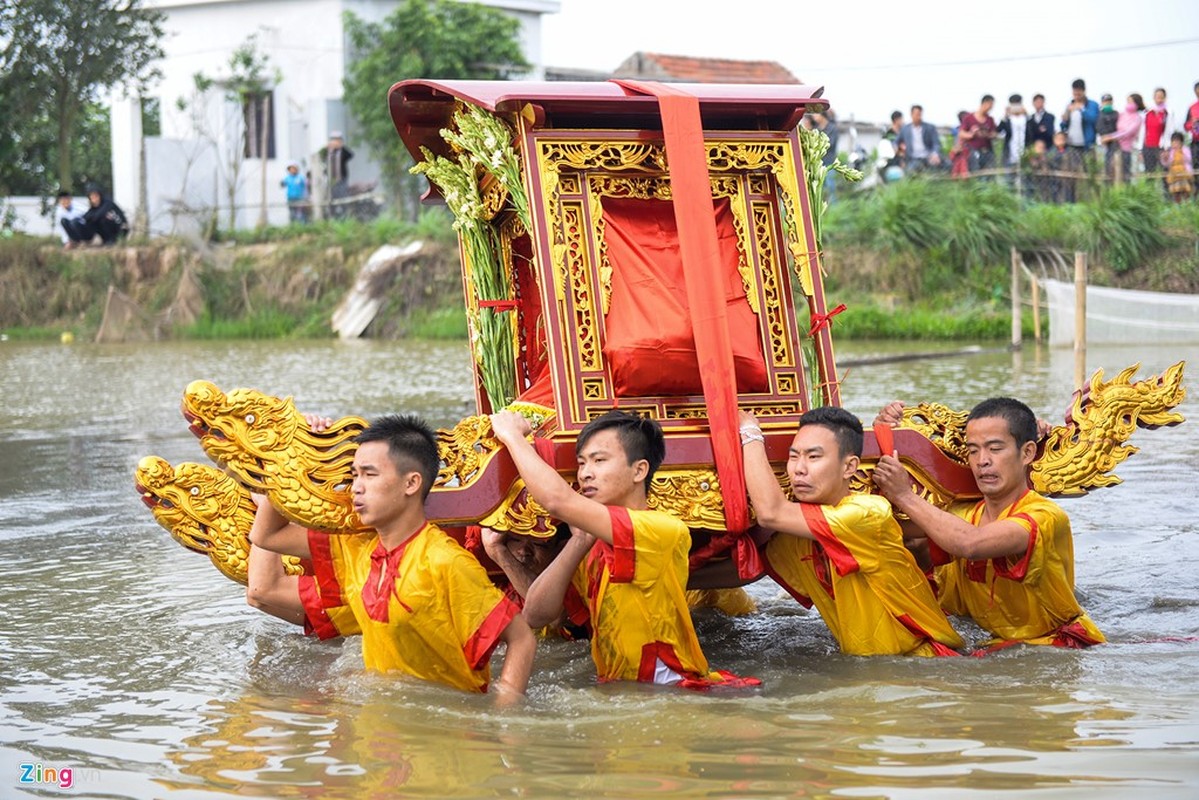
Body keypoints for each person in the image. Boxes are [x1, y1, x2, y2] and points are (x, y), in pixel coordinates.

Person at [248, 413, 535, 702]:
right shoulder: (357, 548)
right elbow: (267, 537)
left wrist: (503, 720)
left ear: (411, 483)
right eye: (353, 475)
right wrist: (297, 456)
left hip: (444, 734)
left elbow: (521, 638)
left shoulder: (444, 561)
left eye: (370, 475)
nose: (356, 487)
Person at [489, 408, 758, 687]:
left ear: (639, 470)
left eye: (599, 460)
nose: (585, 474)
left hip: (671, 687)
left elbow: (558, 501)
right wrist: (580, 541)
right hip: (619, 688)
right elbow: (536, 615)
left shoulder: (659, 529)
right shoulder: (590, 543)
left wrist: (513, 437)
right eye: (581, 463)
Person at [872, 398, 1105, 651]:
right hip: (989, 644)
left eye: (995, 449)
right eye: (973, 450)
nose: (982, 460)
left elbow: (971, 543)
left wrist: (905, 496)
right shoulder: (961, 514)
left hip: (1051, 647)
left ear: (1027, 452)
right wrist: (886, 439)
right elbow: (890, 528)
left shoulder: (1045, 516)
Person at [739, 406, 964, 657]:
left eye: (813, 457)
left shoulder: (866, 514)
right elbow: (747, 569)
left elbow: (771, 513)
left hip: (926, 666)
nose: (799, 469)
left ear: (849, 467)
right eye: (793, 457)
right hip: (877, 671)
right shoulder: (794, 538)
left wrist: (749, 434)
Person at [61, 185, 129, 246]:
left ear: (100, 196)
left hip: (120, 230)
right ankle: (77, 241)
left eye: (96, 196)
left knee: (101, 219)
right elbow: (85, 218)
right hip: (107, 233)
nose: (94, 199)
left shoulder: (108, 203)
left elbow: (97, 215)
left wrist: (87, 218)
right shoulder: (93, 209)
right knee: (74, 222)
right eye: (92, 197)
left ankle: (112, 240)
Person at [1061, 79, 1099, 182]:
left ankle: (1093, 196)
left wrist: (1082, 109)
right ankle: (1071, 197)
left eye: (1078, 92)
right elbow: (1063, 125)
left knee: (1090, 175)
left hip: (1087, 146)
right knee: (1071, 175)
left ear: (1083, 91)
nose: (1076, 95)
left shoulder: (1092, 105)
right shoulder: (1069, 105)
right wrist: (1065, 117)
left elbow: (1094, 119)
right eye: (1074, 92)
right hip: (1072, 146)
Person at [1100, 93, 1144, 183]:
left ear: (1136, 104)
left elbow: (1127, 132)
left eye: (1130, 102)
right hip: (1113, 148)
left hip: (1125, 150)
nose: (1128, 104)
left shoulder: (1137, 118)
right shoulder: (1122, 114)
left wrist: (1110, 137)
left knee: (1125, 176)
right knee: (1110, 174)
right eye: (1127, 101)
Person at [896, 104, 943, 173]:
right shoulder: (905, 129)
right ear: (911, 114)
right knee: (910, 172)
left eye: (920, 114)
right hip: (913, 158)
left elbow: (936, 144)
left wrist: (935, 154)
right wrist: (899, 148)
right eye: (917, 114)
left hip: (928, 156)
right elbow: (896, 142)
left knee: (938, 168)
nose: (919, 117)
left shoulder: (930, 127)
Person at [958, 94, 997, 173]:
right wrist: (972, 134)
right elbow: (961, 134)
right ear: (985, 103)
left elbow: (994, 134)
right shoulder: (969, 118)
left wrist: (988, 135)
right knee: (975, 172)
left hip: (987, 151)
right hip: (973, 151)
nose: (991, 108)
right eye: (990, 105)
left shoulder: (990, 119)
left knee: (990, 173)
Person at [322, 131, 353, 217]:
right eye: (333, 139)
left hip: (341, 179)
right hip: (330, 180)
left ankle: (345, 216)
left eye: (337, 139)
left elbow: (350, 155)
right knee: (331, 199)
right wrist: (328, 148)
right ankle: (332, 216)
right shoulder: (328, 151)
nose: (335, 142)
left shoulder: (342, 152)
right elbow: (320, 157)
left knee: (342, 198)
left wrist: (341, 147)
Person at [1142, 88, 1170, 176]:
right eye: (1157, 97)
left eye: (1161, 97)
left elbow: (1169, 131)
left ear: (1165, 98)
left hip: (1161, 148)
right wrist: (1140, 149)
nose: (1159, 99)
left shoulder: (1167, 113)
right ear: (1154, 98)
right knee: (1149, 173)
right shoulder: (1147, 113)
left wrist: (1166, 148)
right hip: (1147, 147)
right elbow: (1142, 131)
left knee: (1164, 174)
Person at [1162, 131, 1194, 203]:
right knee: (1176, 193)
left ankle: (1186, 204)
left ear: (1181, 142)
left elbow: (1189, 159)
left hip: (1184, 174)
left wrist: (1181, 153)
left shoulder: (1185, 149)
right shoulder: (1171, 152)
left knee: (1185, 192)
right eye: (1173, 142)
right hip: (1174, 175)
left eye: (1177, 142)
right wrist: (1165, 158)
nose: (1175, 144)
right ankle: (1177, 205)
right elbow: (1167, 164)